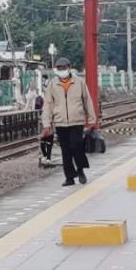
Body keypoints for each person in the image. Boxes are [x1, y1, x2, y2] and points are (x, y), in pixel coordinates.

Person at [41, 58, 98, 187]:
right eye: (59, 68)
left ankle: (80, 169)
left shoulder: (79, 83)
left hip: (76, 121)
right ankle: (70, 177)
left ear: (69, 67)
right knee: (65, 151)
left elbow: (87, 101)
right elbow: (48, 105)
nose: (61, 70)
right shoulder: (52, 85)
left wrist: (91, 120)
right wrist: (46, 124)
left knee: (76, 146)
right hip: (60, 122)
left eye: (63, 67)